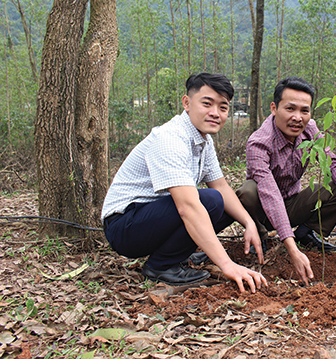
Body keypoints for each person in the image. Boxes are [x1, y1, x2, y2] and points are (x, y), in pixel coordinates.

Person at [101, 73, 267, 293]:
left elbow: (221, 186)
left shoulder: (202, 140)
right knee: (210, 201)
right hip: (125, 225)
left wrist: (249, 223)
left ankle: (176, 252)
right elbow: (187, 207)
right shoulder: (170, 138)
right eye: (207, 104)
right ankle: (160, 266)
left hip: (153, 216)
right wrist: (227, 265)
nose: (215, 113)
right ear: (187, 103)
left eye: (223, 107)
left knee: (226, 204)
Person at [231, 77, 336, 285]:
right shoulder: (259, 143)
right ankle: (261, 235)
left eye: (304, 110)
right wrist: (291, 248)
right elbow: (269, 194)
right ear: (274, 108)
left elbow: (334, 164)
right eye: (290, 109)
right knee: (248, 190)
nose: (297, 118)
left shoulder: (310, 129)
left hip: (293, 203)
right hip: (263, 209)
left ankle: (308, 231)